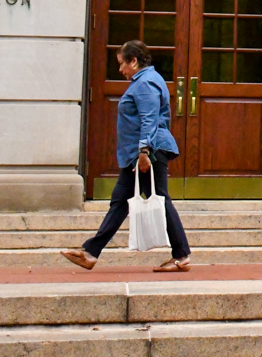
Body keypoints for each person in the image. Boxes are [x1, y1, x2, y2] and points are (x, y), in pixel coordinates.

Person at [61, 41, 191, 272]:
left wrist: (144, 152)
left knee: (158, 199)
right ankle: (91, 253)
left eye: (122, 64)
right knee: (122, 201)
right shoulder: (145, 81)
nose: (120, 70)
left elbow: (149, 119)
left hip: (147, 153)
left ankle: (181, 256)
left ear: (134, 61)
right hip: (141, 153)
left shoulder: (145, 83)